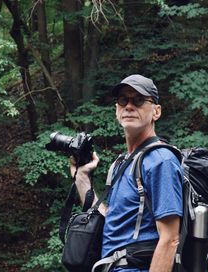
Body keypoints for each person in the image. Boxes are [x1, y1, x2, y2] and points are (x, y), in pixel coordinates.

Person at [70, 74, 183, 272]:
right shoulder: (120, 163)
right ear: (117, 110)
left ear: (156, 112)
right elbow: (109, 221)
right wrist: (81, 177)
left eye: (138, 100)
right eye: (123, 100)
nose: (129, 106)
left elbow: (170, 238)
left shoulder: (160, 161)